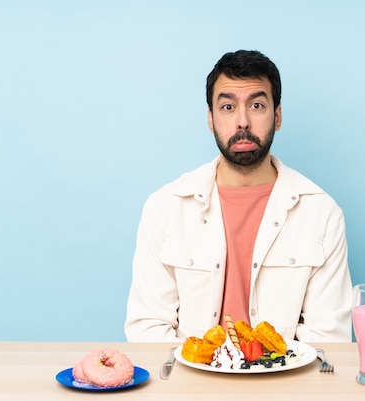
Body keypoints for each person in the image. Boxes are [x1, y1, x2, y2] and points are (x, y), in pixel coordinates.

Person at [125, 50, 352, 343]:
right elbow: (148, 328)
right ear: (211, 119)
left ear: (277, 116)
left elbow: (328, 336)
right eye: (228, 107)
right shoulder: (165, 208)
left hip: (283, 383)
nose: (242, 122)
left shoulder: (321, 213)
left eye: (257, 105)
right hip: (191, 384)